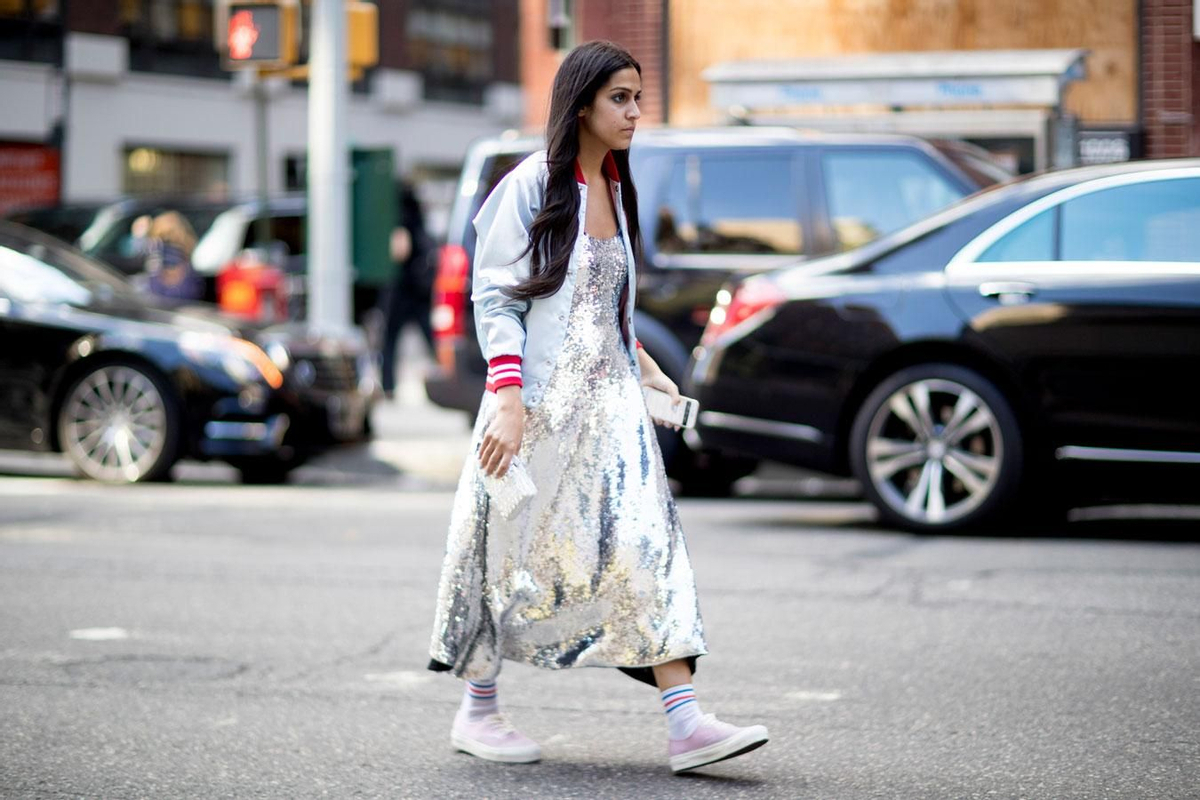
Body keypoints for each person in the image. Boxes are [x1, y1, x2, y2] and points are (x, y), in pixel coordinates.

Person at [427, 40, 769, 774]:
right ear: (580, 103)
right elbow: (495, 299)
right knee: (501, 558)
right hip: (533, 412)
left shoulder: (615, 186)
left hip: (611, 420)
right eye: (620, 97)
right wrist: (510, 400)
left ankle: (686, 725)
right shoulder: (528, 186)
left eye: (639, 97)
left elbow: (605, 311)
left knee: (647, 548)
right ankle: (478, 711)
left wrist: (646, 372)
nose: (635, 112)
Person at [379, 182, 435, 399]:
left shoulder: (399, 218)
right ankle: (444, 374)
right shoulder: (414, 216)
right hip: (415, 287)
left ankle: (388, 385)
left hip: (402, 287)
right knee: (425, 336)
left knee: (390, 338)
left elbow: (401, 250)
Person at [143, 211, 203, 301]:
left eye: (170, 234)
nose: (167, 240)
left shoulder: (199, 263)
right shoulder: (153, 265)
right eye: (162, 236)